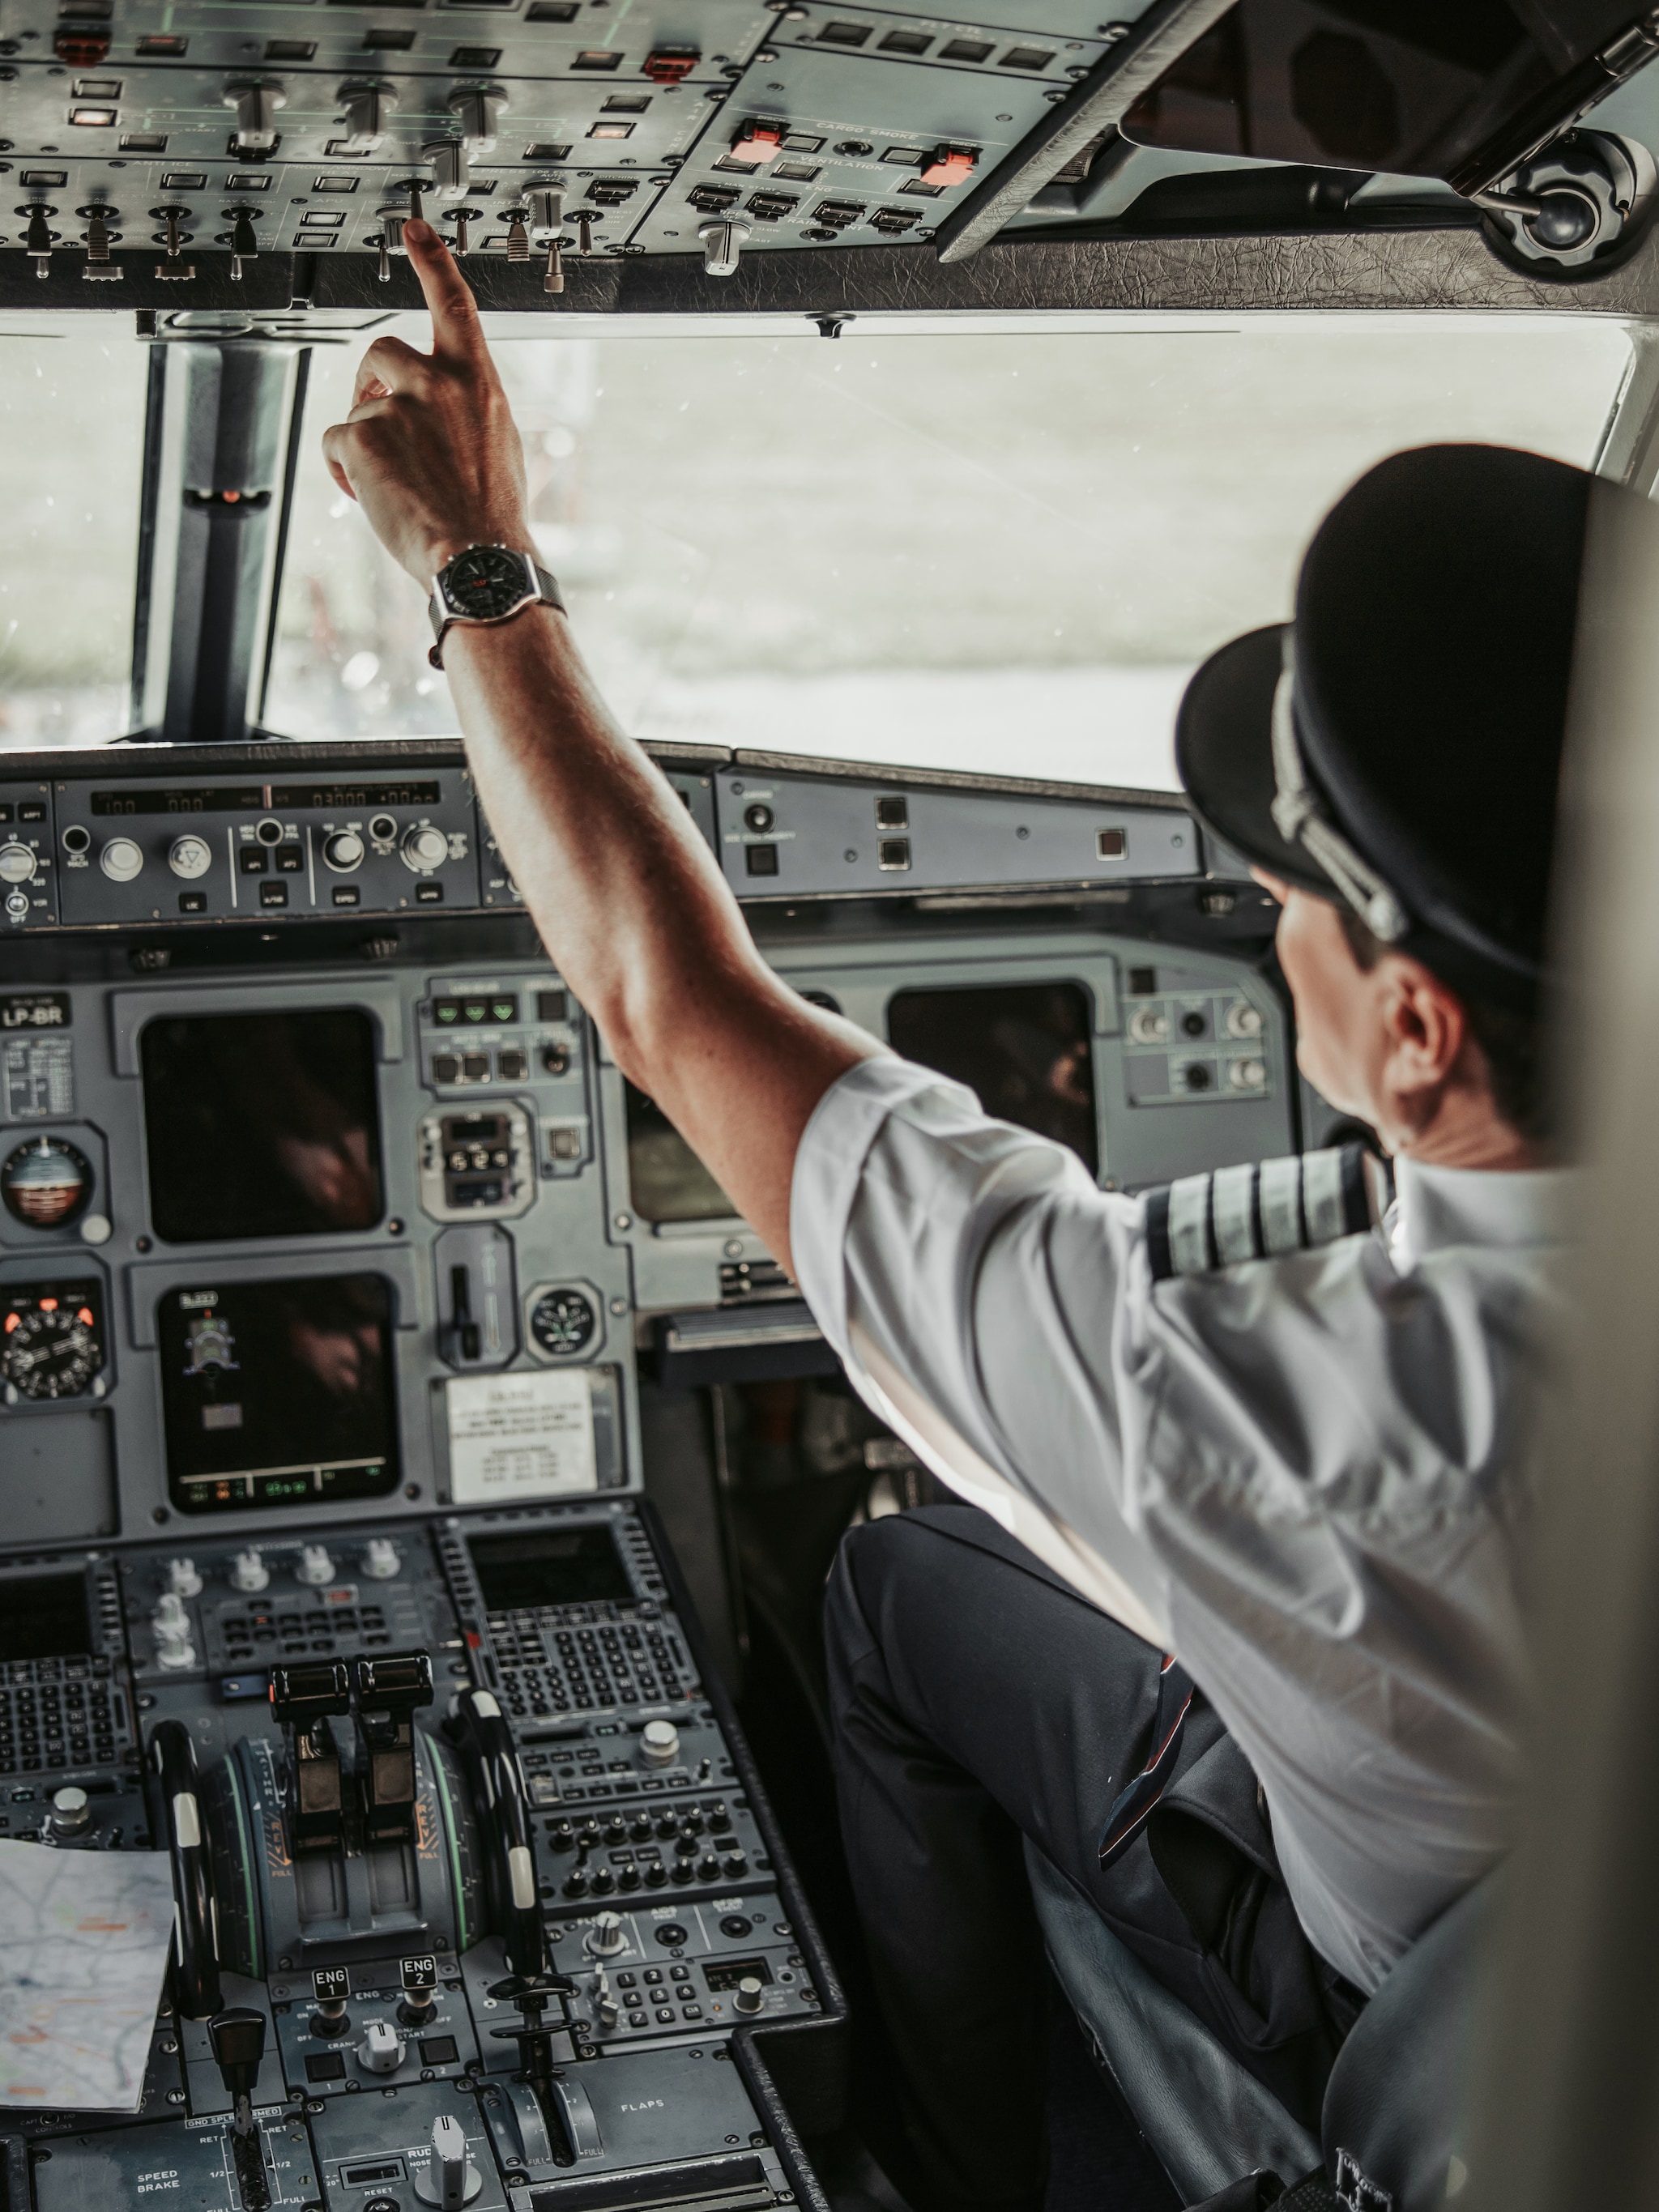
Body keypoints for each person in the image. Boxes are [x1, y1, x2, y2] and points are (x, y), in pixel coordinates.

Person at [324, 226, 1587, 2211]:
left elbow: (672, 1001)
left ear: (1416, 1035)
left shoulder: (1271, 1414)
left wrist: (476, 566)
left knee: (892, 1586)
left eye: (1292, 890)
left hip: (1445, 2039)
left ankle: (942, 2164)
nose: (1260, 915)